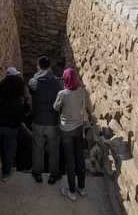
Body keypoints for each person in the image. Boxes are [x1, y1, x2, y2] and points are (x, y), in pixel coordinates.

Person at [0, 66, 26, 181]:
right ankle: (5, 174)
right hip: (11, 127)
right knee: (8, 150)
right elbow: (22, 111)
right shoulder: (18, 95)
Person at [53, 67, 87, 201]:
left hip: (66, 130)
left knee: (70, 161)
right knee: (80, 158)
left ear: (65, 79)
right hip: (79, 128)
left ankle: (72, 191)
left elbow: (55, 107)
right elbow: (83, 107)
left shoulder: (62, 94)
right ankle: (82, 188)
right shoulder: (82, 91)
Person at [28, 55, 63, 184]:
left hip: (38, 120)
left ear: (39, 66)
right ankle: (54, 175)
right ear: (49, 67)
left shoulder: (34, 81)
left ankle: (37, 173)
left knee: (38, 148)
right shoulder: (57, 82)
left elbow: (31, 89)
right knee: (54, 149)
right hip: (52, 121)